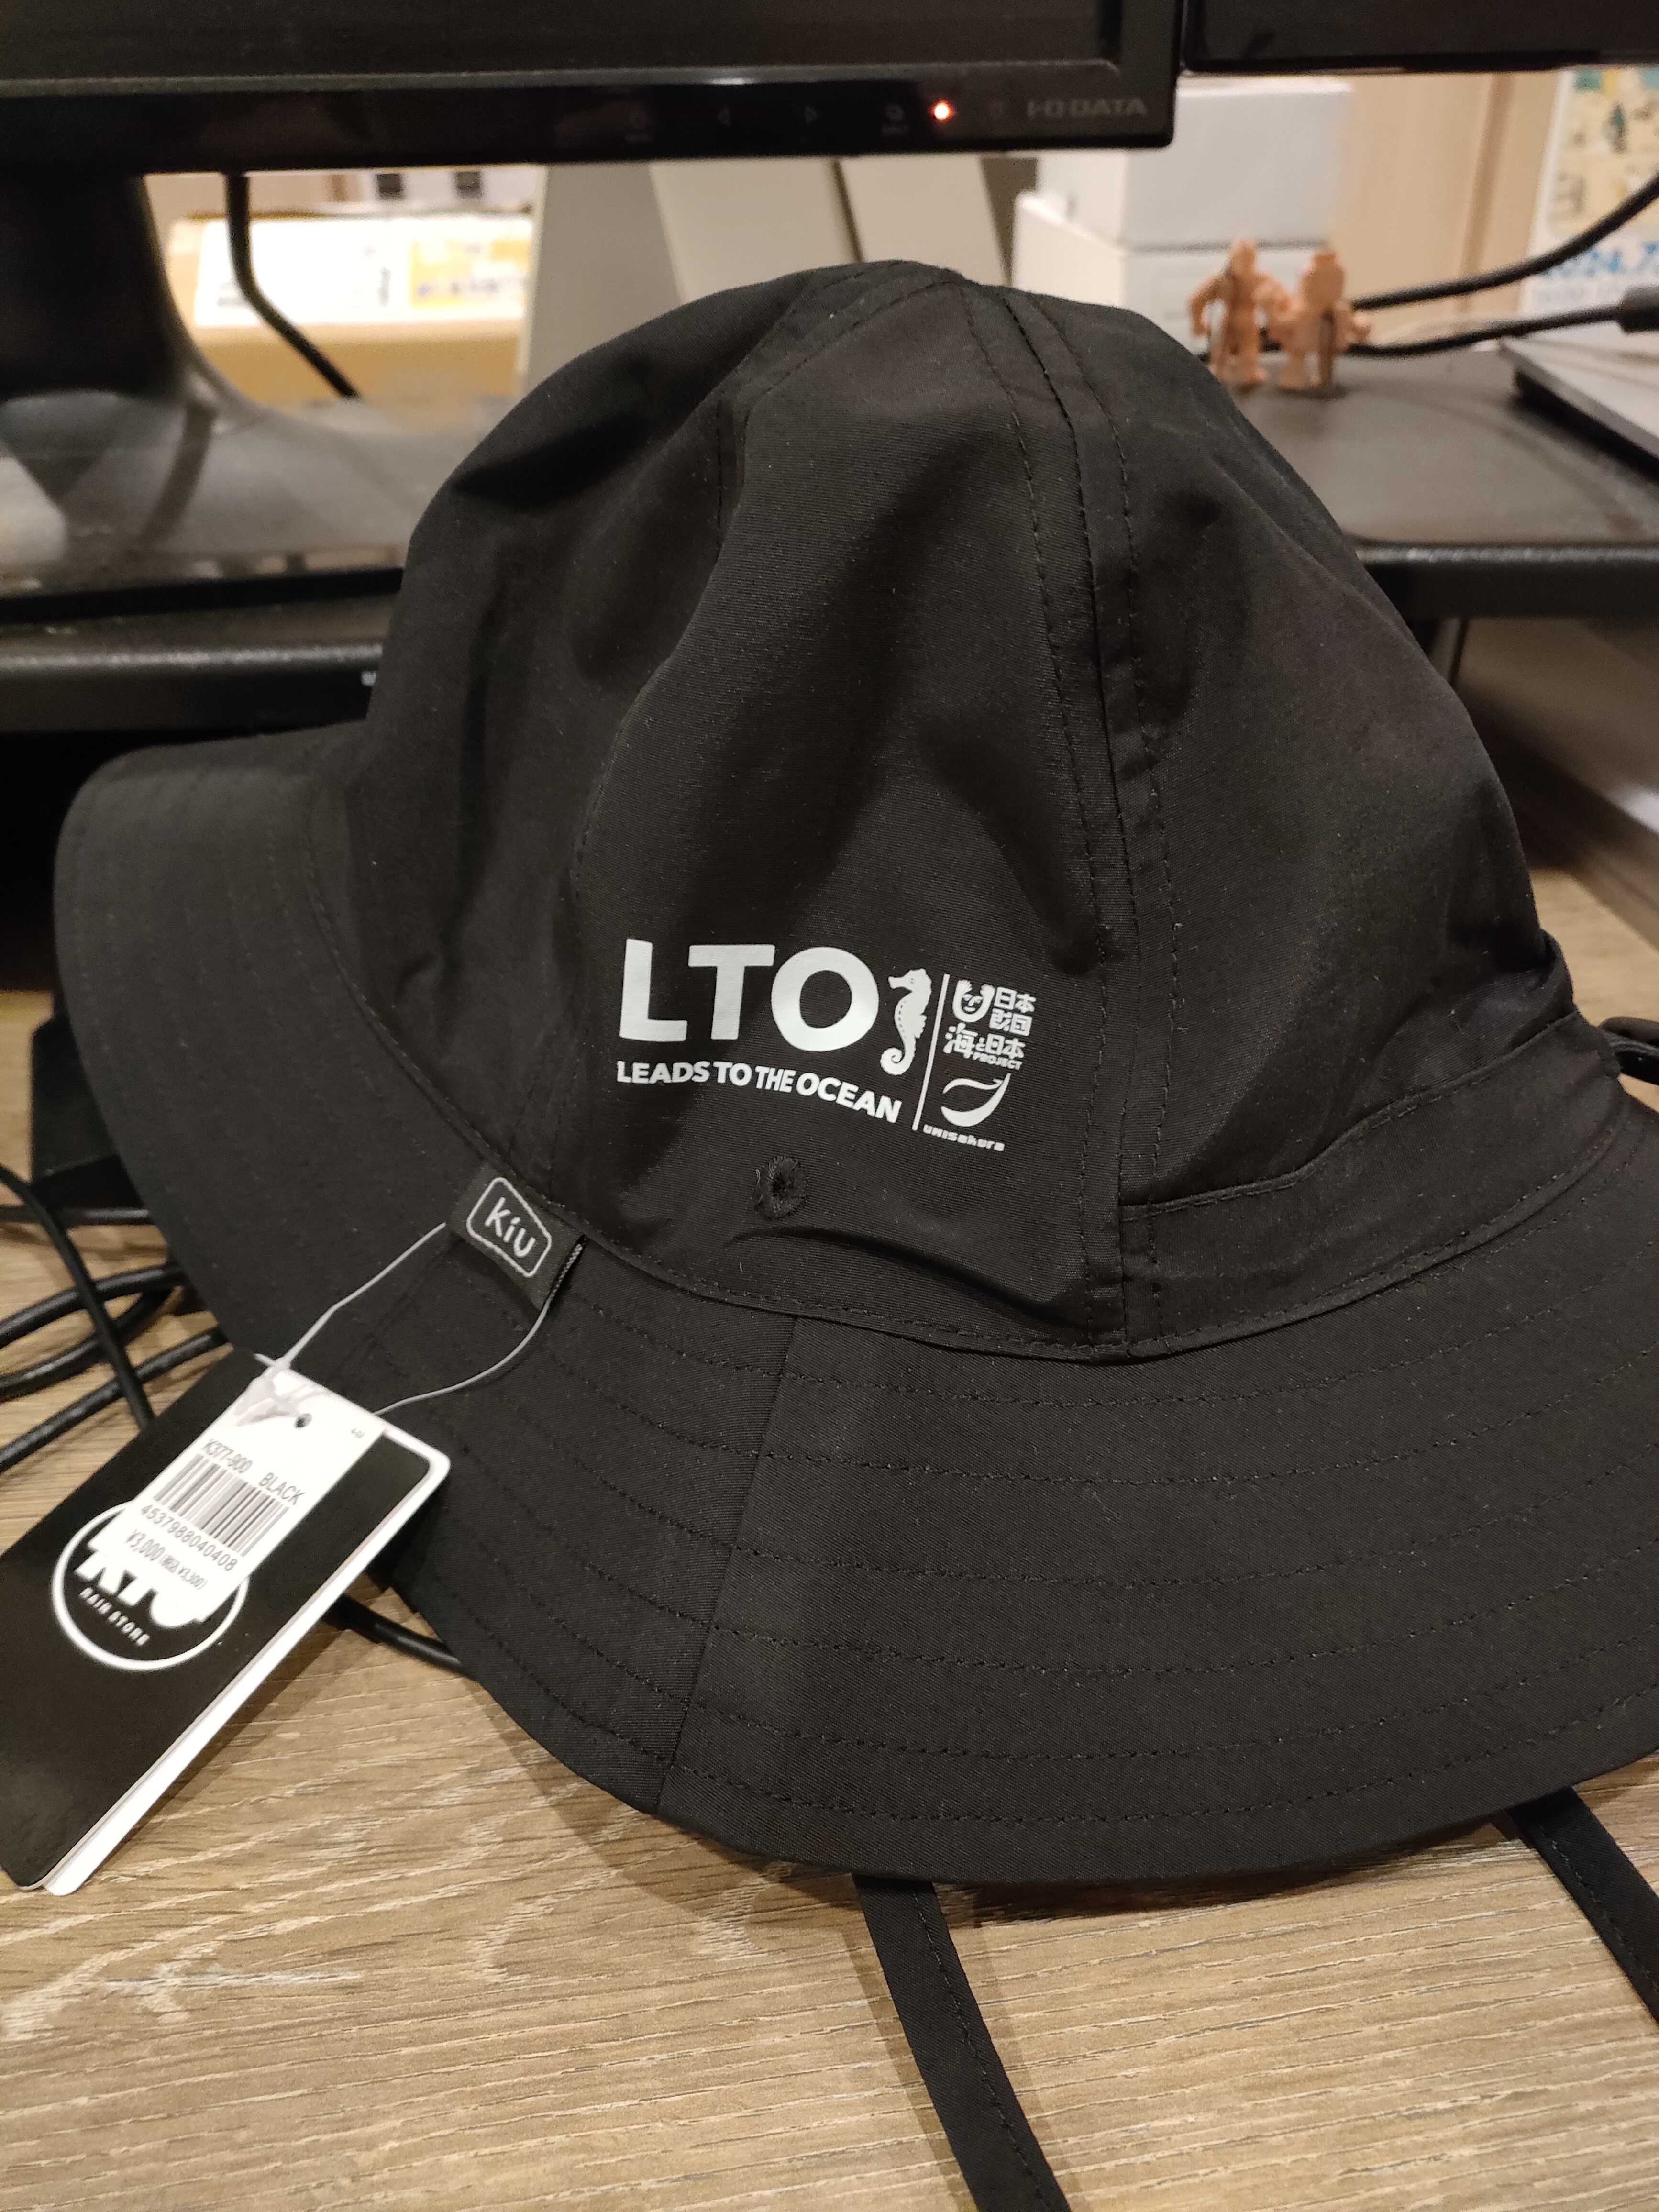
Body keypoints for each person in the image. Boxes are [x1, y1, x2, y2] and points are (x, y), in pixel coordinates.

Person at [1188, 236, 1287, 389]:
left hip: (1244, 321)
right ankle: (1227, 371)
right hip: (1233, 321)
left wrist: (1276, 317)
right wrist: (1198, 323)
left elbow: (1281, 298)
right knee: (1224, 354)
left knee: (1245, 355)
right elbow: (1196, 301)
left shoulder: (1257, 279)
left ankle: (1240, 372)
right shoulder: (1223, 280)